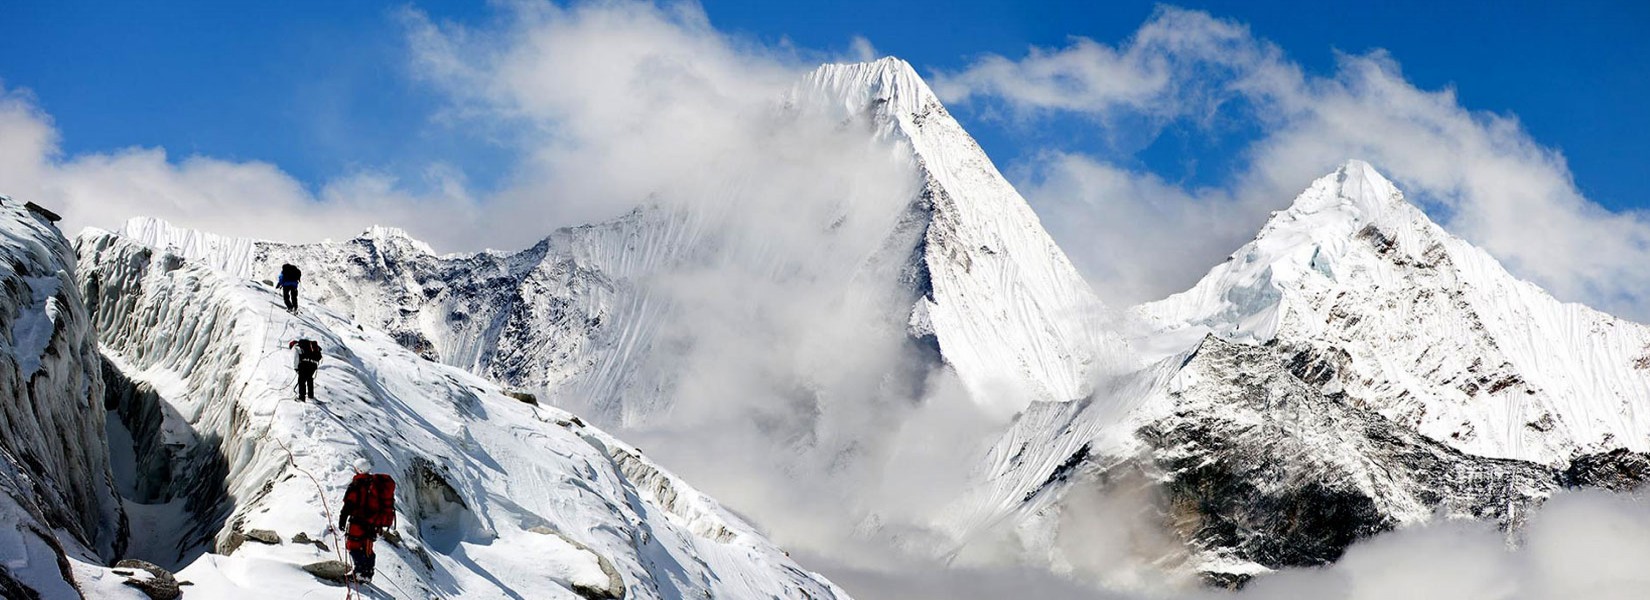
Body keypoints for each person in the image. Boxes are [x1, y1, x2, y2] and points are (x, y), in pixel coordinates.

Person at [338, 458, 395, 583]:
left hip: (358, 522)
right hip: (373, 523)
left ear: (358, 470)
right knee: (367, 547)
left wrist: (342, 519)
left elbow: (349, 504)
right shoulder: (376, 483)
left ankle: (359, 572)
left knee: (353, 545)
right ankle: (367, 574)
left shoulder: (357, 485)